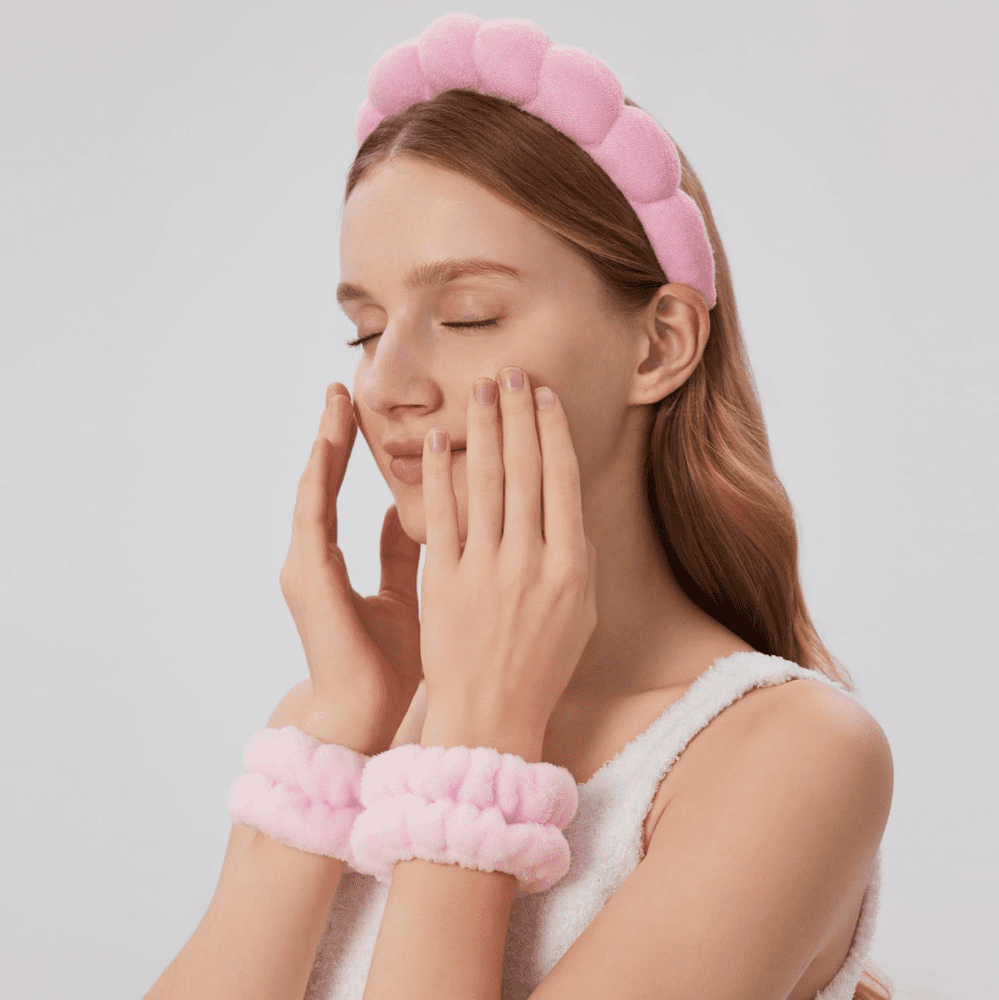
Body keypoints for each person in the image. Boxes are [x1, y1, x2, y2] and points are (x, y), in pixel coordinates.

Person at [144, 13, 894, 1000]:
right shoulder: (354, 721)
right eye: (365, 331)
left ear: (660, 344)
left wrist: (479, 738)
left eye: (468, 317)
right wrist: (339, 719)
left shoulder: (790, 755)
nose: (387, 385)